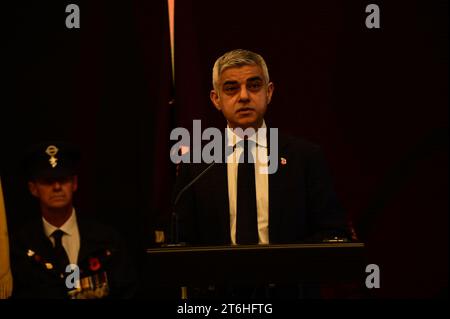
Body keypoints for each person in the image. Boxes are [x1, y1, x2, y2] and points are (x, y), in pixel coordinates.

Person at [173, 49, 351, 298]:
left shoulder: (305, 157)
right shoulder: (196, 164)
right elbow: (182, 243)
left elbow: (333, 232)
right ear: (216, 99)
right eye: (231, 88)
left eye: (254, 86)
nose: (244, 96)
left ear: (269, 92)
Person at [10, 141, 136, 299]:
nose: (57, 187)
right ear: (33, 188)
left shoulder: (106, 240)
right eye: (48, 181)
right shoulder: (21, 246)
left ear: (74, 184)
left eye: (63, 179)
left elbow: (127, 292)